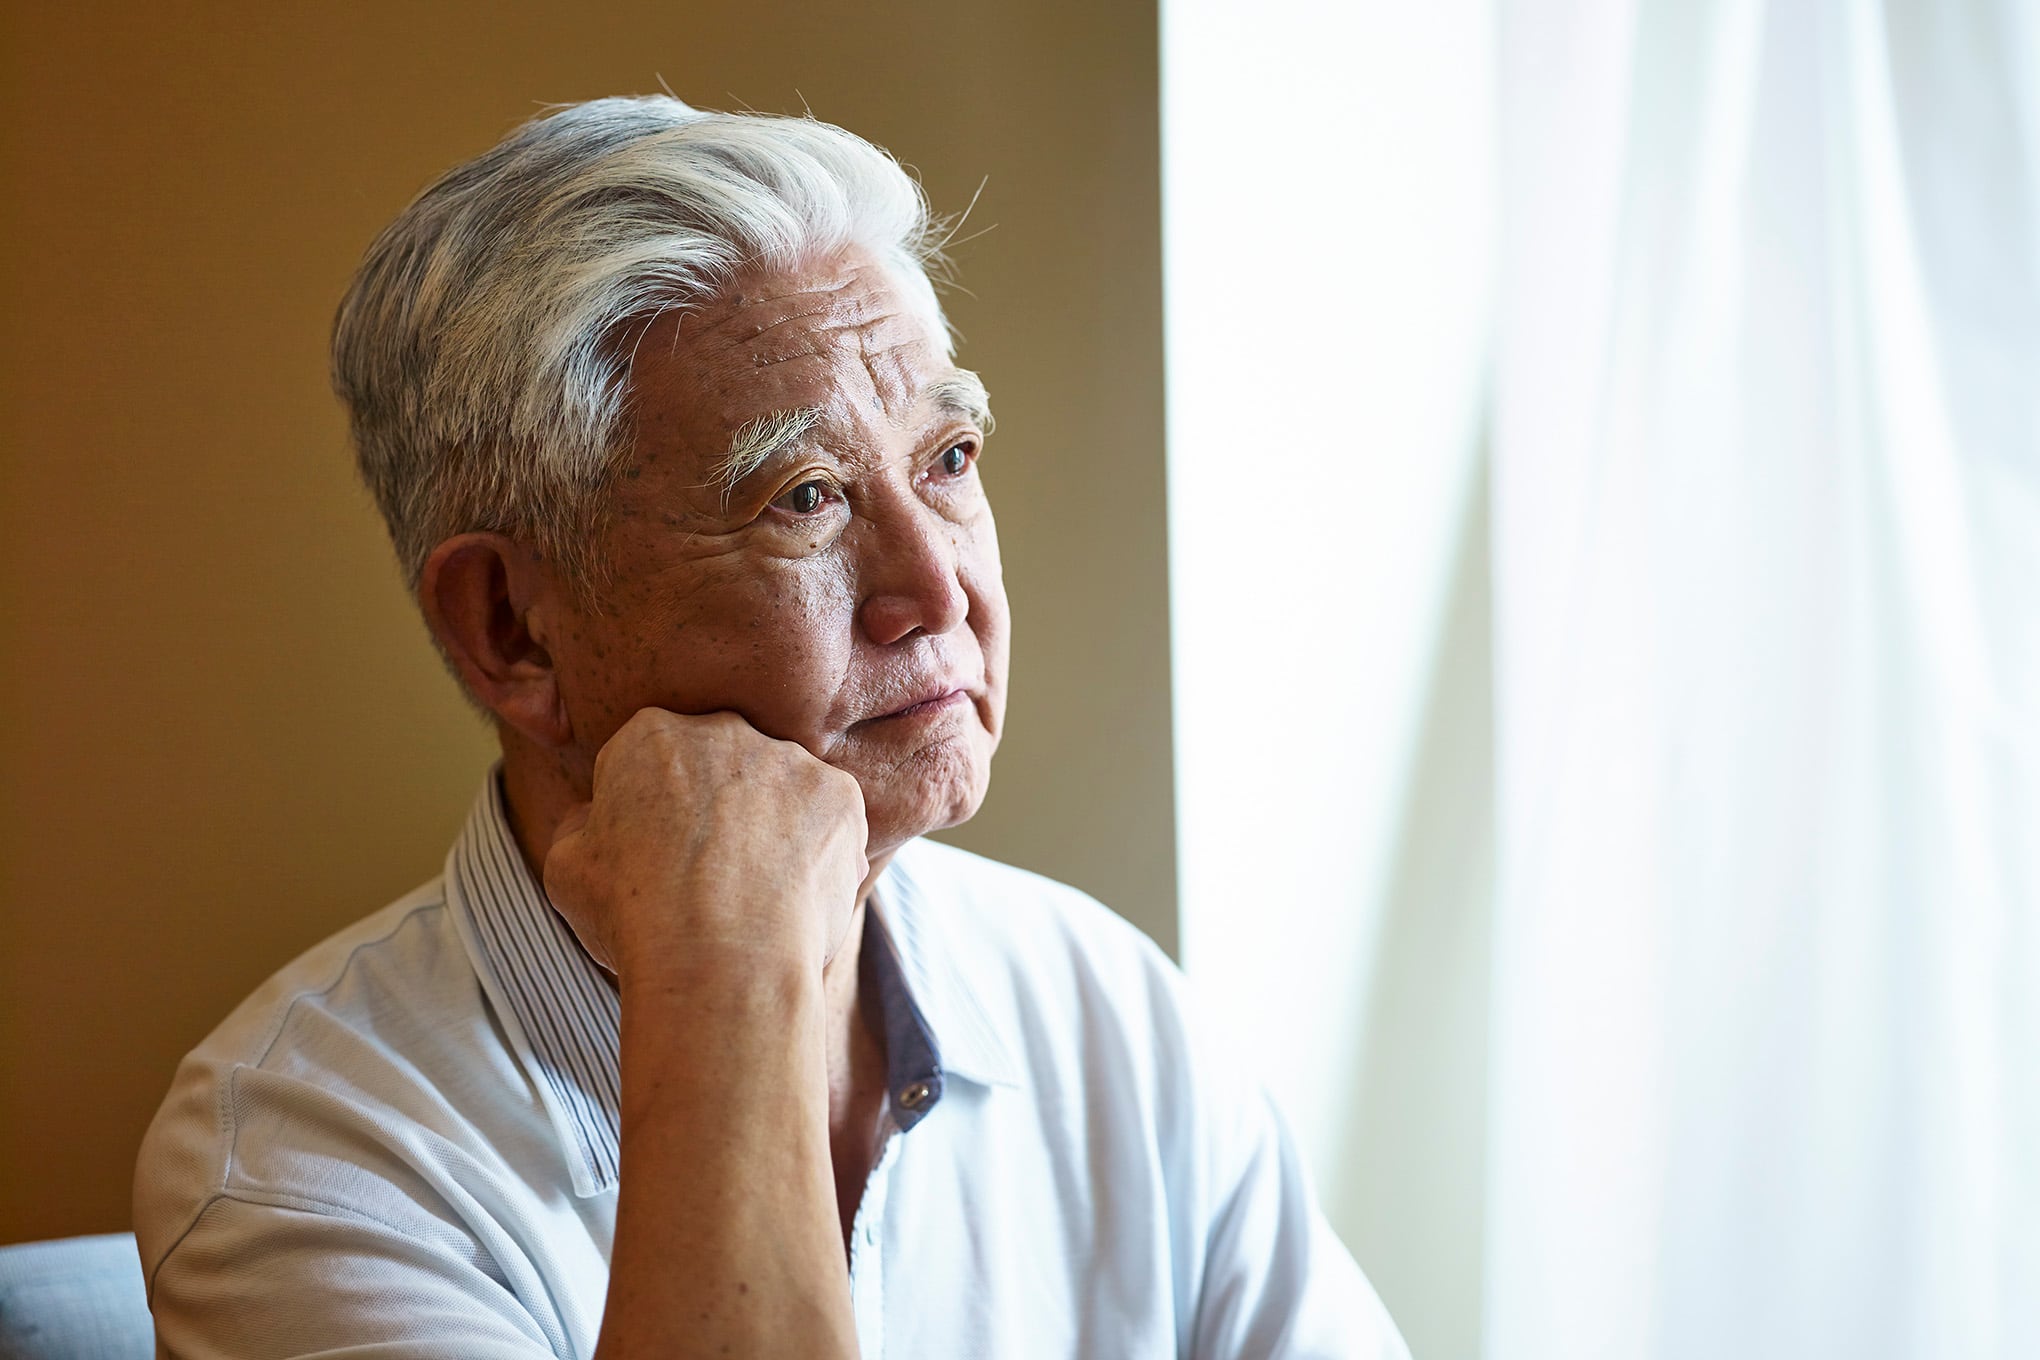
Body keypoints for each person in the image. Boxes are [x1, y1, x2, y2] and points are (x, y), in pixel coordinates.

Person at [131, 95, 1408, 1359]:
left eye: (948, 459)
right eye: (804, 497)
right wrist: (727, 984)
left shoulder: (1103, 1008)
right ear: (514, 628)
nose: (937, 590)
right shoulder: (303, 1156)